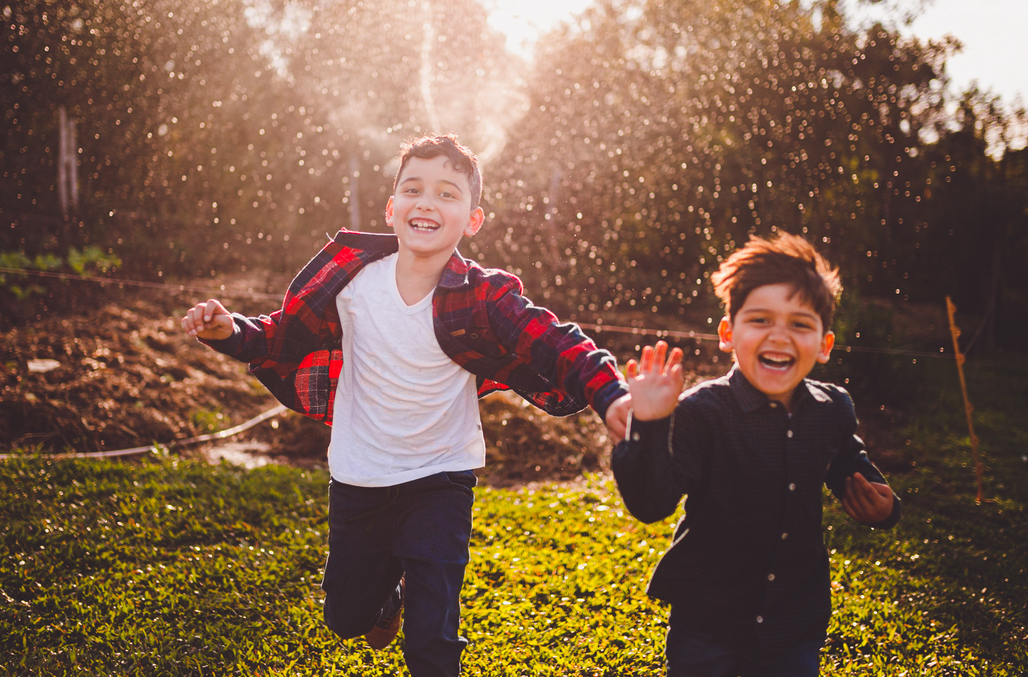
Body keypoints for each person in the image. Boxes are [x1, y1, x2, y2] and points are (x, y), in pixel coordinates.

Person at [182, 134, 635, 677]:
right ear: (392, 208)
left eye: (448, 193)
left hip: (441, 478)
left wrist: (609, 392)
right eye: (414, 189)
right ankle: (385, 601)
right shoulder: (351, 282)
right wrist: (230, 330)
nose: (428, 202)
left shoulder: (485, 295)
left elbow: (554, 340)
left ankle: (422, 625)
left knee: (432, 638)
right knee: (348, 619)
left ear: (472, 219)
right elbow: (279, 337)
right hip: (360, 478)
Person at [606, 231, 900, 677]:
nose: (779, 337)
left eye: (800, 324)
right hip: (708, 626)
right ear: (728, 332)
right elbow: (650, 504)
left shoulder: (833, 408)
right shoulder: (701, 412)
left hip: (795, 621)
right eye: (760, 320)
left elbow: (847, 463)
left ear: (824, 345)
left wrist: (881, 503)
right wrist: (648, 424)